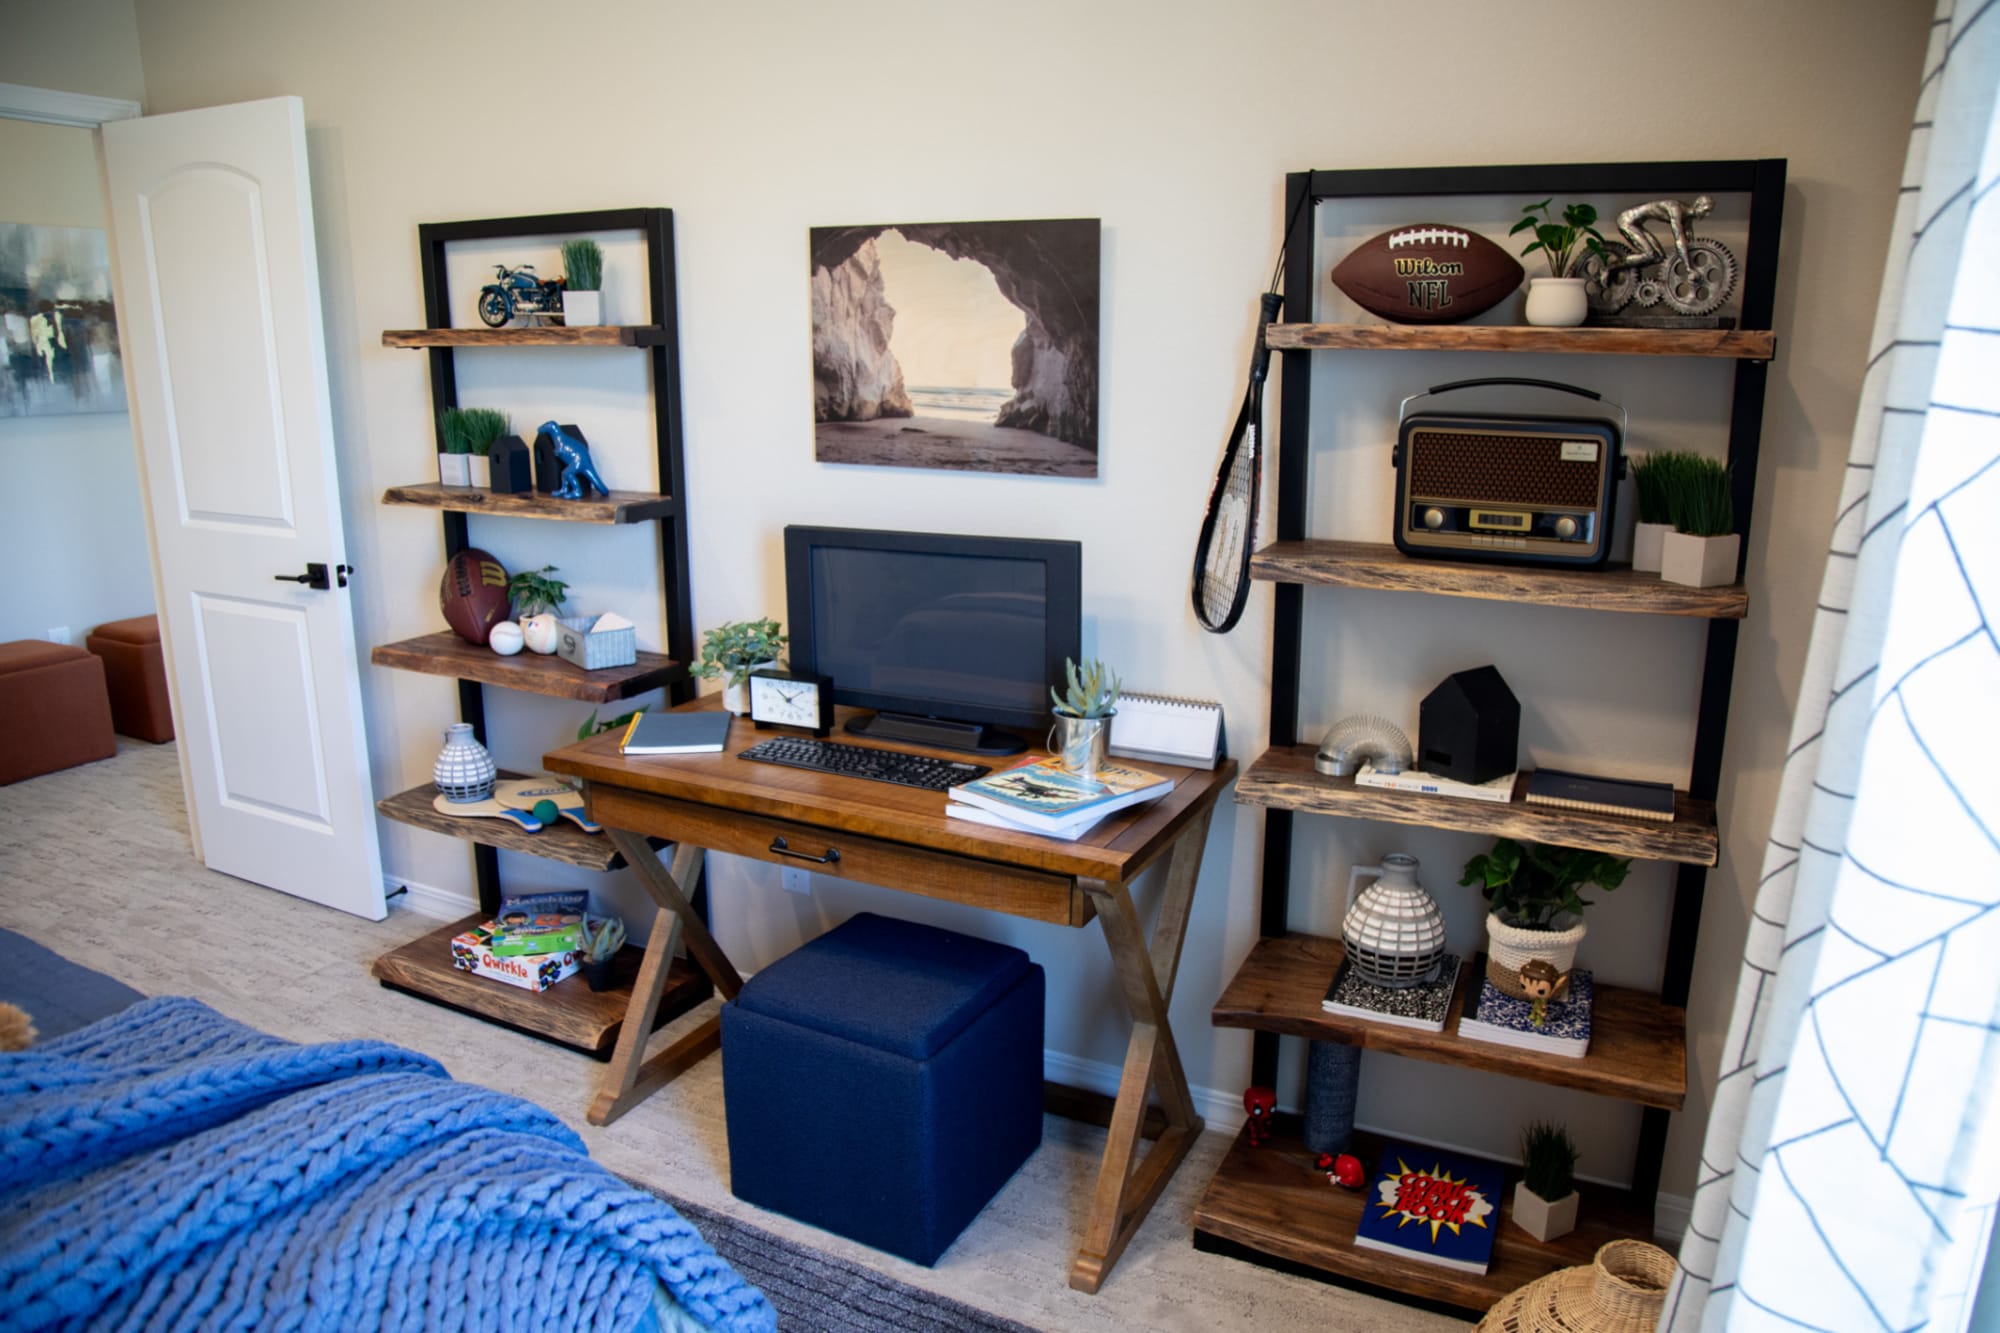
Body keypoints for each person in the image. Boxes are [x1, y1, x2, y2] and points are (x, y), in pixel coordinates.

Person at [1609, 195, 1715, 274]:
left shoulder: (1687, 219)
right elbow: (1679, 239)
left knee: (1659, 257)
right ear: (1697, 205)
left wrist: (1695, 265)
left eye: (1709, 212)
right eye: (1705, 210)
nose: (1707, 215)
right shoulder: (1676, 208)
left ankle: (1628, 274)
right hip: (1626, 220)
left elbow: (1691, 244)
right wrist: (1689, 268)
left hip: (1636, 224)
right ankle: (1609, 267)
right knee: (1649, 254)